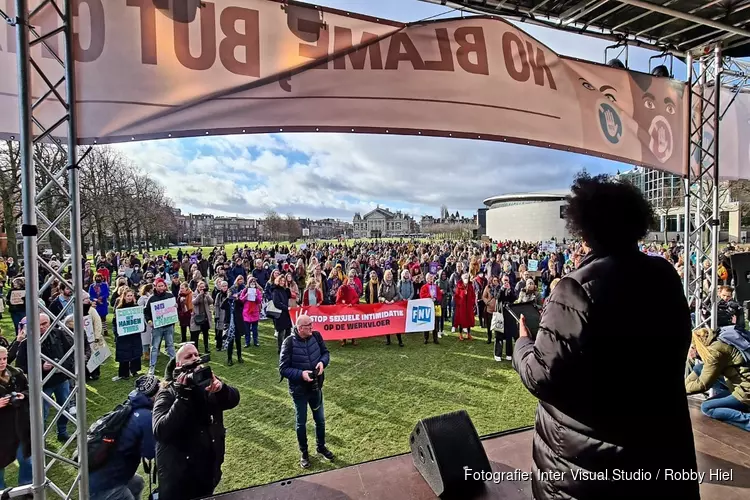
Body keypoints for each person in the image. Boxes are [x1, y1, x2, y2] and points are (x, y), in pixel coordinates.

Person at [513, 173, 699, 500]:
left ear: (584, 230)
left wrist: (523, 343)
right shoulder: (664, 275)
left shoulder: (575, 289)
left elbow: (542, 376)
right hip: (657, 446)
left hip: (591, 464)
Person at [153, 344, 240, 500]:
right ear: (178, 365)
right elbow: (161, 431)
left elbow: (233, 400)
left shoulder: (207, 382)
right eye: (188, 356)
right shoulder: (168, 393)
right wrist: (183, 397)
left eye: (196, 354)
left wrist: (221, 389)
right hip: (180, 481)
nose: (194, 358)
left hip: (208, 472)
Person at [89, 375, 159, 500]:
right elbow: (150, 453)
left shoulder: (131, 405)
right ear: (155, 395)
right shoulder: (146, 417)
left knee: (137, 483)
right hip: (106, 484)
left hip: (96, 474)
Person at [279, 314, 334, 469]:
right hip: (299, 391)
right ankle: (304, 453)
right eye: (308, 325)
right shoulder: (288, 343)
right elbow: (283, 369)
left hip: (316, 388)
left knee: (320, 420)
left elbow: (326, 353)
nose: (312, 327)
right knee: (301, 423)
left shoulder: (316, 336)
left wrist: (323, 363)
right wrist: (301, 375)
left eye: (312, 324)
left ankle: (321, 447)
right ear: (299, 328)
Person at [687, 304, 750, 431]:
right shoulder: (716, 340)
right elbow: (699, 372)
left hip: (746, 391)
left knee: (707, 407)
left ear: (696, 346)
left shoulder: (714, 353)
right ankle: (736, 404)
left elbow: (703, 384)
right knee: (700, 368)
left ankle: (747, 420)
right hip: (740, 382)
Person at [17, 313, 74, 441]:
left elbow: (70, 352)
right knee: (42, 412)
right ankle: (40, 439)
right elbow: (20, 366)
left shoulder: (58, 334)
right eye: (39, 325)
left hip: (61, 379)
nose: (42, 327)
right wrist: (41, 367)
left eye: (45, 324)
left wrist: (61, 366)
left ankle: (62, 432)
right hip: (42, 383)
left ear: (50, 323)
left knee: (64, 407)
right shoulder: (27, 343)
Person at [0, 345, 31, 490]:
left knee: (26, 459)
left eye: (5, 358)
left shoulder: (16, 373)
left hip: (19, 425)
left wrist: (23, 395)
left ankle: (25, 488)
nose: (2, 362)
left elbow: (30, 390)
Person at [144, 278, 177, 376]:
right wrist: (149, 321)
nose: (161, 287)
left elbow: (174, 310)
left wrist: (175, 307)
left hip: (168, 326)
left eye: (162, 285)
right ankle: (152, 367)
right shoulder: (151, 298)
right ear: (155, 287)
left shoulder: (170, 296)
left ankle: (175, 366)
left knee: (170, 345)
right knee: (154, 347)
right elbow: (146, 311)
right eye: (159, 286)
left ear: (165, 286)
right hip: (157, 327)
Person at [113, 289, 143, 382]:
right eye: (128, 296)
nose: (130, 297)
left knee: (135, 353)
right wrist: (116, 332)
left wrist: (142, 327)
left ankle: (134, 371)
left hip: (134, 335)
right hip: (123, 336)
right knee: (124, 354)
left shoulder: (136, 307)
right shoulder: (119, 309)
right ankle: (123, 374)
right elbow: (115, 322)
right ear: (124, 297)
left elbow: (140, 320)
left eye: (131, 296)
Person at [379, 269, 403, 347]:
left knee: (396, 323)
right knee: (387, 323)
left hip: (393, 306)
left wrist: (393, 300)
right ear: (385, 276)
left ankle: (400, 340)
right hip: (385, 306)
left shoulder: (394, 284)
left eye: (390, 274)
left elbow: (397, 294)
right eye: (387, 275)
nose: (389, 276)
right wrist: (384, 300)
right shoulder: (382, 284)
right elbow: (379, 296)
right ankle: (388, 340)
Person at [190, 280, 213, 354]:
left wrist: (206, 295)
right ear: (198, 287)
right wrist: (200, 295)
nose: (202, 288)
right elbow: (194, 302)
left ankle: (206, 348)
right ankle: (195, 350)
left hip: (205, 317)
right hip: (197, 317)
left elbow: (211, 301)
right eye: (200, 287)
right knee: (195, 334)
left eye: (203, 287)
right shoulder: (194, 293)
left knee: (205, 333)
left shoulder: (207, 293)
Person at [272, 274, 293, 354]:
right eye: (281, 281)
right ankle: (280, 349)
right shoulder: (275, 291)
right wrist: (286, 308)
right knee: (281, 333)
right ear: (278, 281)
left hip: (286, 314)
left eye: (284, 281)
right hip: (280, 314)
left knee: (288, 331)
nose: (282, 282)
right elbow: (276, 303)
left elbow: (289, 299)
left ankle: (286, 347)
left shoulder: (285, 290)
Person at [419, 273, 442, 344]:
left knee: (435, 323)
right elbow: (422, 296)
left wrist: (435, 298)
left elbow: (439, 295)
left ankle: (435, 338)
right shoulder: (424, 287)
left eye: (431, 277)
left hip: (435, 305)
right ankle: (426, 338)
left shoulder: (436, 287)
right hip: (427, 306)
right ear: (426, 279)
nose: (430, 279)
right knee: (426, 322)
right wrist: (429, 296)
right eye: (429, 278)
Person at [239, 278, 262, 347]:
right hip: (247, 312)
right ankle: (247, 342)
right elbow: (241, 300)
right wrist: (246, 296)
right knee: (247, 329)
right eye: (251, 282)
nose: (252, 284)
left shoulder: (257, 291)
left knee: (255, 329)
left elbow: (259, 301)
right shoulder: (245, 290)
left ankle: (255, 341)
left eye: (254, 283)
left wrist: (256, 296)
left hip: (255, 312)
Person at [453, 273, 475, 341]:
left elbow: (473, 295)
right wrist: (459, 303)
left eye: (467, 278)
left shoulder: (470, 286)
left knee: (468, 319)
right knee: (461, 320)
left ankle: (468, 333)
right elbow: (456, 296)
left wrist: (472, 302)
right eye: (464, 278)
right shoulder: (459, 286)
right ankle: (460, 334)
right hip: (461, 307)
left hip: (468, 306)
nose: (466, 279)